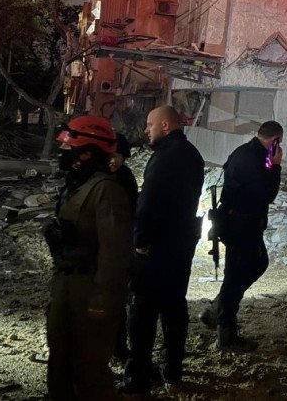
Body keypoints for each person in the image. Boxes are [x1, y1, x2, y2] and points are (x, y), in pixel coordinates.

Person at [45, 116, 132, 399]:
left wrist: (102, 301)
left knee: (89, 369)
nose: (62, 153)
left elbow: (115, 252)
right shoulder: (76, 185)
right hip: (67, 282)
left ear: (86, 153)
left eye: (68, 148)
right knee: (60, 360)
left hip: (90, 287)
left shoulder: (106, 190)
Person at [121, 106, 205, 392]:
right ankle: (172, 369)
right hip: (180, 245)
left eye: (150, 124)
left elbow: (149, 202)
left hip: (157, 248)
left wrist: (139, 242)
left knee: (142, 310)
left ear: (166, 125)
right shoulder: (191, 154)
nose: (146, 130)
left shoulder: (166, 156)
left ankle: (138, 375)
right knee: (174, 307)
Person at [200, 121, 283, 351]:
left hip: (240, 223)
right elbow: (267, 194)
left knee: (251, 267)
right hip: (240, 226)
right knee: (237, 276)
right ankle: (224, 331)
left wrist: (271, 164)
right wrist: (276, 167)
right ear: (275, 140)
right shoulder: (252, 158)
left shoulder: (249, 153)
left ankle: (219, 309)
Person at [108, 133, 138, 363]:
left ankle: (118, 347)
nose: (113, 160)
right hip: (102, 246)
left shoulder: (126, 177)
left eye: (118, 155)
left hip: (121, 245)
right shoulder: (97, 178)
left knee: (118, 300)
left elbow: (134, 209)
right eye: (109, 155)